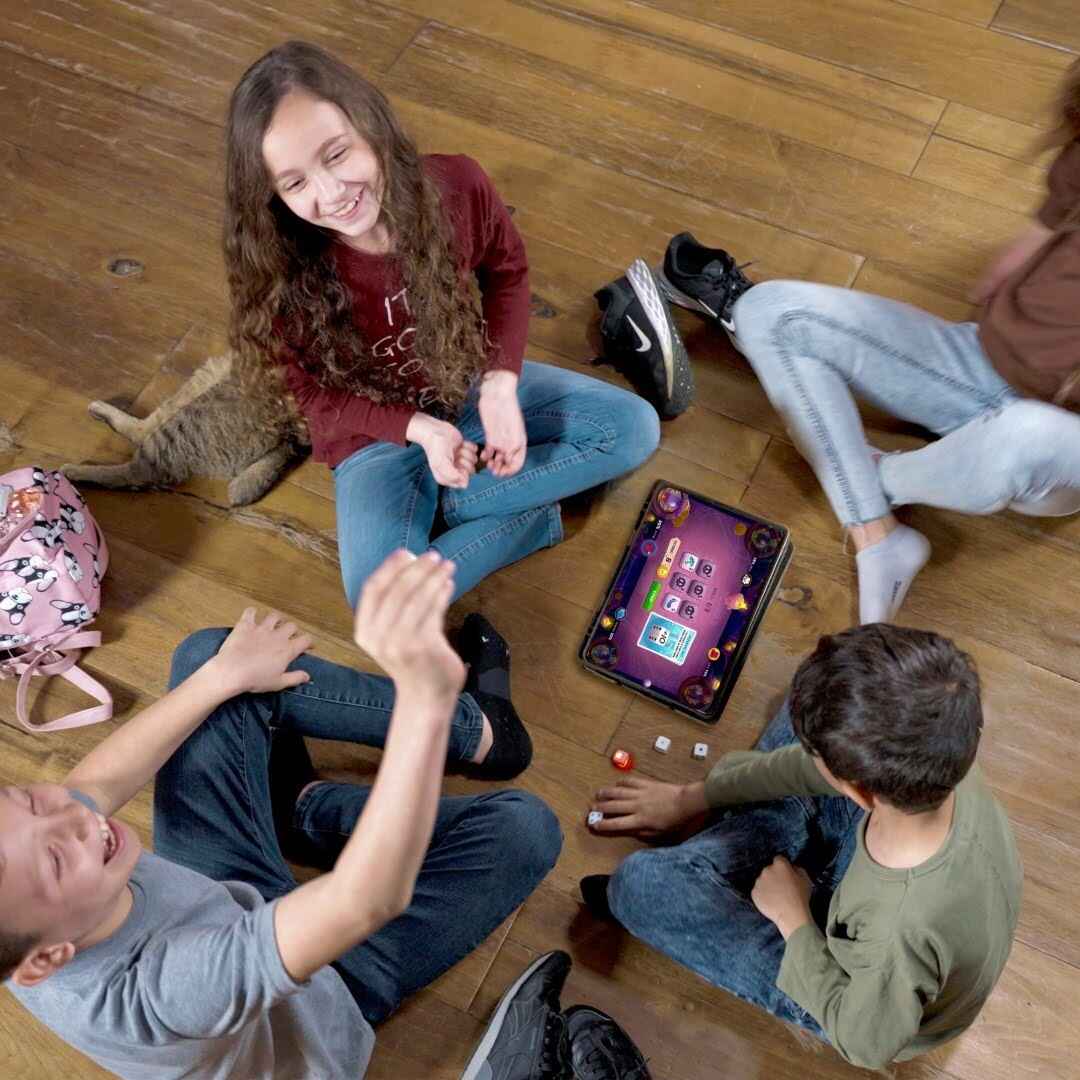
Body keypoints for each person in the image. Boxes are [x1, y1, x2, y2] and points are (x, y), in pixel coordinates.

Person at [1, 550, 562, 1078]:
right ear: (48, 957)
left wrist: (221, 678)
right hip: (331, 979)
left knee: (213, 661)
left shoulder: (37, 886)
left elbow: (92, 784)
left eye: (28, 799)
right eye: (54, 859)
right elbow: (362, 900)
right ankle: (341, 792)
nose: (70, 817)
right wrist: (424, 701)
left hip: (224, 892)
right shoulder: (162, 993)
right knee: (526, 828)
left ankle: (444, 749)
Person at [223, 40, 660, 606]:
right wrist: (420, 430)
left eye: (336, 155)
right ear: (272, 195)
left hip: (463, 386)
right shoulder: (279, 269)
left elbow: (508, 273)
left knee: (633, 428)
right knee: (380, 607)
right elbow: (312, 394)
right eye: (295, 183)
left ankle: (451, 507)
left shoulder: (457, 186)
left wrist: (500, 385)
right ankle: (524, 515)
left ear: (369, 124)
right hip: (374, 441)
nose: (332, 195)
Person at [693, 59, 1080, 624]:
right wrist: (997, 287)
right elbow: (1042, 230)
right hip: (976, 363)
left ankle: (877, 479)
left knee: (1021, 435)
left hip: (1055, 445)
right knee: (765, 311)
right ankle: (877, 535)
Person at [581, 624, 1022, 1070]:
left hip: (853, 986)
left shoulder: (903, 932)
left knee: (638, 886)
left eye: (825, 766)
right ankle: (755, 840)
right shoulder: (941, 746)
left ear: (861, 791)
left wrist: (794, 919)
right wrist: (694, 796)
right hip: (875, 862)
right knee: (823, 700)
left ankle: (751, 853)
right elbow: (823, 762)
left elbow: (867, 1043)